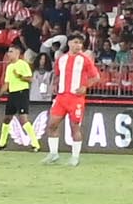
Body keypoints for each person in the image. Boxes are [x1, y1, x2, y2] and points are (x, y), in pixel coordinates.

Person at [40, 34, 93, 167]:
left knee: (74, 127)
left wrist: (85, 87)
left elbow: (96, 76)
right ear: (69, 43)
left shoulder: (85, 60)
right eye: (75, 42)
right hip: (61, 97)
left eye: (80, 43)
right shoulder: (61, 59)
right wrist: (54, 85)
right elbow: (57, 75)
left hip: (76, 98)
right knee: (52, 124)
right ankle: (53, 154)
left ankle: (75, 157)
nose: (78, 45)